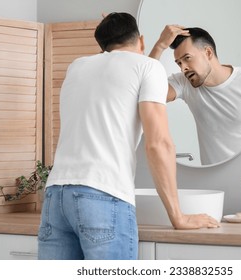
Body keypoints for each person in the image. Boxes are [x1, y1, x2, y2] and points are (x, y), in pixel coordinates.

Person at [37, 13, 219, 260]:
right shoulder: (147, 67)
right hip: (102, 196)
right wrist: (179, 216)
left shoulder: (77, 66)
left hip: (56, 198)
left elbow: (130, 76)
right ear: (140, 41)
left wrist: (160, 46)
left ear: (103, 44)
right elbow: (159, 144)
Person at [149, 26, 241, 165]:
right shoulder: (184, 83)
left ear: (208, 53)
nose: (183, 67)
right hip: (211, 179)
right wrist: (159, 46)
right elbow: (149, 93)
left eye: (187, 58)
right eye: (179, 63)